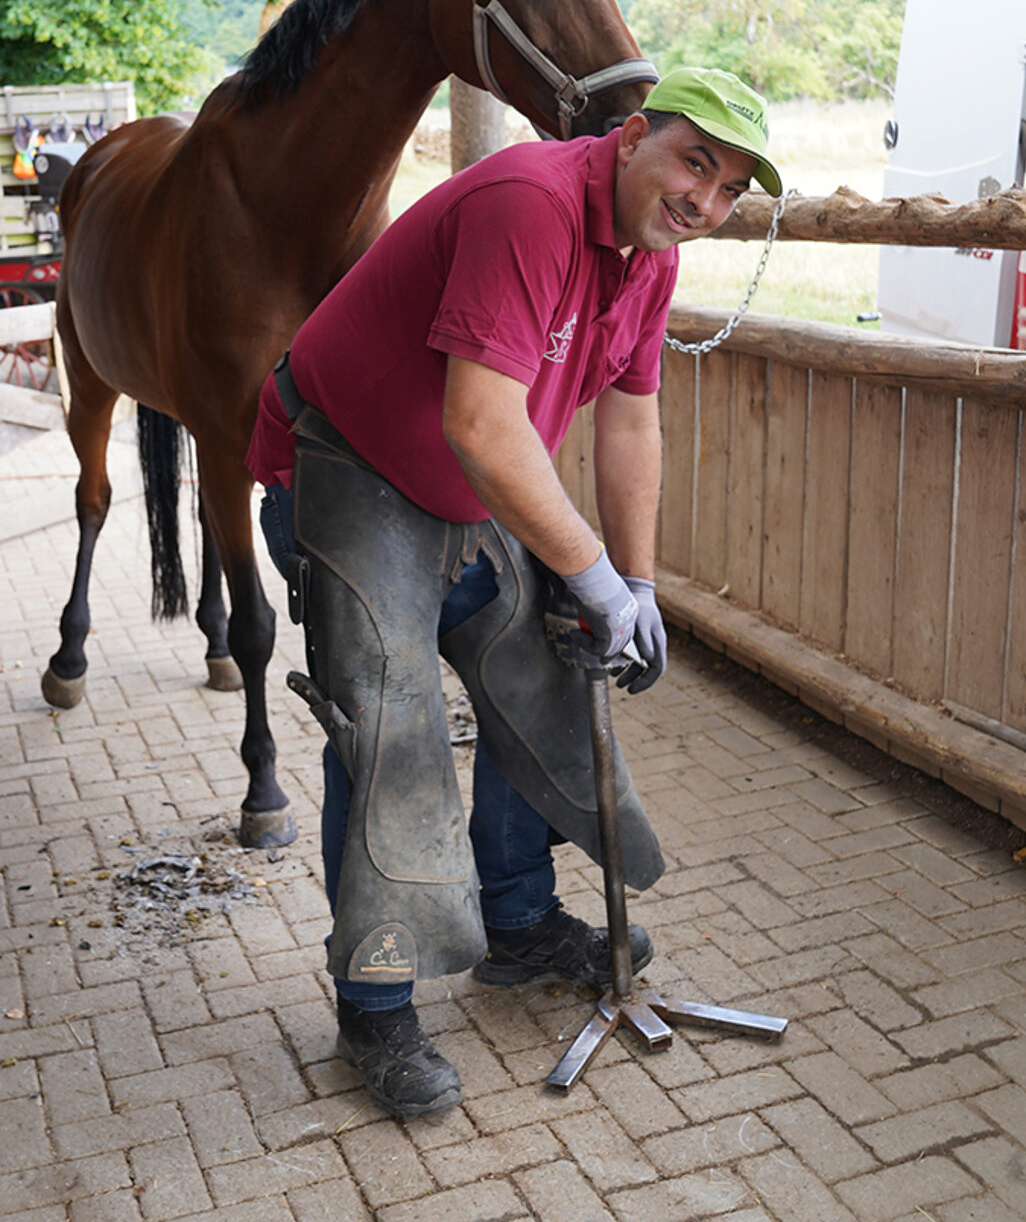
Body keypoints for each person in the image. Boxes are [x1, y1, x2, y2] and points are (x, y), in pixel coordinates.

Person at [247, 67, 782, 1117]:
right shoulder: (529, 201)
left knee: (544, 660)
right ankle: (377, 997)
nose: (704, 201)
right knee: (387, 716)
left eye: (727, 190)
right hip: (339, 463)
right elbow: (486, 422)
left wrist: (631, 582)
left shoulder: (645, 256)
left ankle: (517, 919)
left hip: (461, 487)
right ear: (633, 137)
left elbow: (630, 419)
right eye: (694, 162)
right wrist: (587, 567)